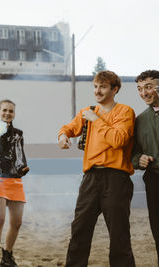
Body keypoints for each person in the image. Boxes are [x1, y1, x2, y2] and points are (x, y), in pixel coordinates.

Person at [58, 70, 135, 267]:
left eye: (102, 87)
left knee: (119, 235)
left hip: (116, 178)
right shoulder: (88, 111)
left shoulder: (125, 112)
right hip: (91, 178)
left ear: (114, 89)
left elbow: (118, 140)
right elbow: (67, 128)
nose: (97, 91)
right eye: (95, 86)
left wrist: (96, 120)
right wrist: (63, 136)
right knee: (79, 230)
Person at [0, 99, 29, 267]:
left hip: (14, 179)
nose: (7, 113)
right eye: (4, 110)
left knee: (17, 222)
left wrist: (22, 167)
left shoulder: (18, 133)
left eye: (11, 111)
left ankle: (7, 256)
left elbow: (19, 154)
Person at [131, 70, 159, 264]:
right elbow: (133, 153)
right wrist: (138, 159)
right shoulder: (139, 120)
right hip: (154, 181)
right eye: (140, 89)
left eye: (148, 87)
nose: (144, 93)